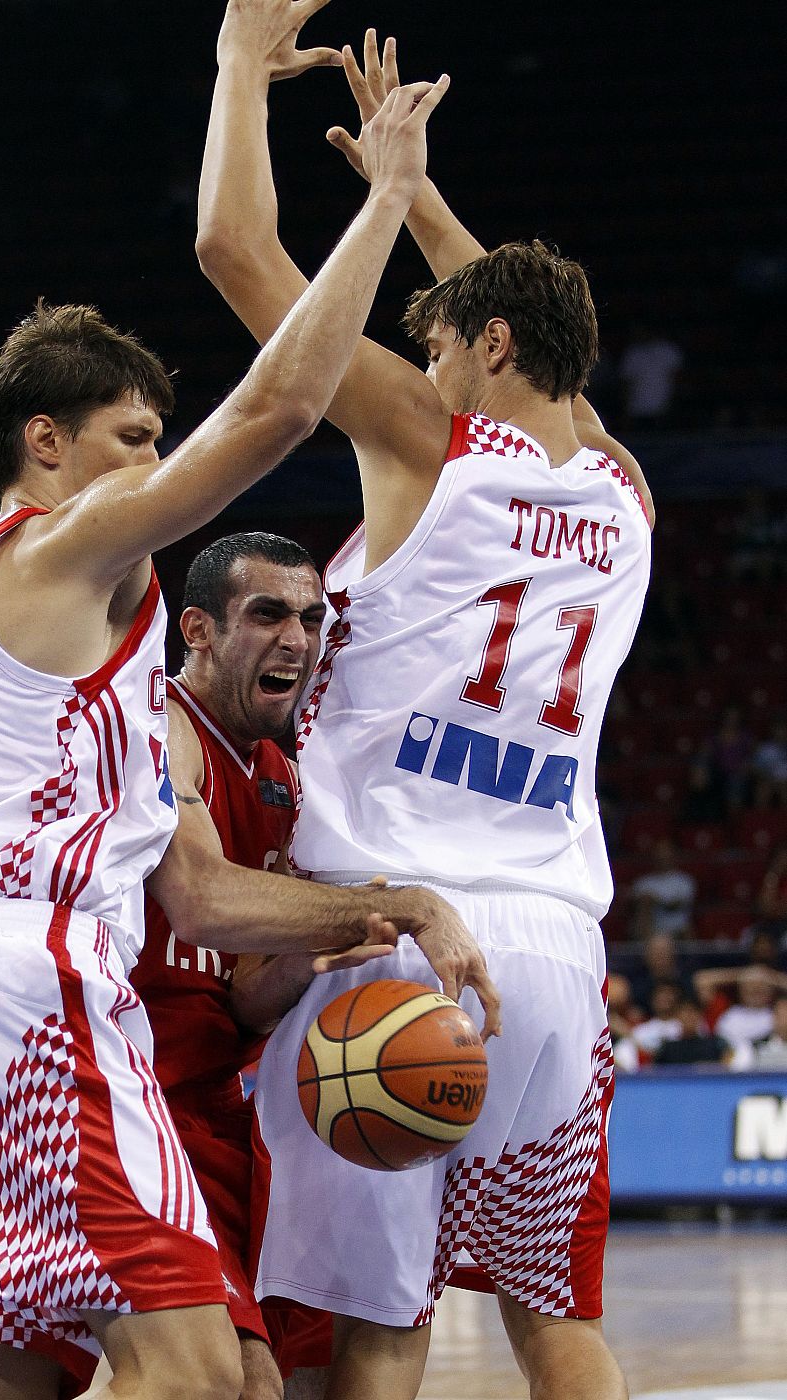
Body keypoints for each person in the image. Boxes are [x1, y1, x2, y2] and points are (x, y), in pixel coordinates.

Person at [0, 58, 498, 1400]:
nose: (154, 470)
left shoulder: (10, 611)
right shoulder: (51, 546)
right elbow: (272, 410)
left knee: (3, 1373)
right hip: (35, 973)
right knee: (205, 1378)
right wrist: (386, 197)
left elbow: (201, 897)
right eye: (133, 438)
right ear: (45, 442)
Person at [197, 9, 654, 1397]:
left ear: (488, 349)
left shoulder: (428, 440)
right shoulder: (625, 497)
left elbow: (232, 252)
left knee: (379, 1334)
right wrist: (437, 207)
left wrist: (240, 76)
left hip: (394, 947)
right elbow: (554, 383)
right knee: (551, 1318)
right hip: (561, 968)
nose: (432, 366)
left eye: (451, 347)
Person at [130, 531, 334, 1400]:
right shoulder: (159, 727)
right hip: (139, 1096)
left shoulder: (281, 771)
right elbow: (202, 901)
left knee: (315, 1366)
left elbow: (249, 996)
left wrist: (321, 947)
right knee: (231, 1380)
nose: (297, 636)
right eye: (268, 613)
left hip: (224, 1104)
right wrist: (386, 906)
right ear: (200, 630)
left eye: (311, 617)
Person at [630, 839, 696, 939]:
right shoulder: (643, 883)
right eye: (659, 854)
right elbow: (633, 907)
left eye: (666, 854)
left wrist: (655, 900)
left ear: (673, 856)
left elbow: (676, 905)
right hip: (652, 931)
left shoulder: (684, 881)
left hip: (678, 931)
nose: (662, 858)